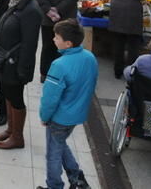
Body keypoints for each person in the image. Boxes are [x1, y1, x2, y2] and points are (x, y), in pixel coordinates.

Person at [37, 19, 98, 189]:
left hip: (59, 117)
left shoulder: (59, 65)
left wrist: (44, 116)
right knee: (60, 143)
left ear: (68, 43)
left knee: (53, 154)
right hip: (77, 114)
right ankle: (76, 176)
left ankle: (54, 185)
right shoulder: (89, 57)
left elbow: (50, 98)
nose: (53, 40)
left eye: (56, 37)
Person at [0, 0, 43, 149]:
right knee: (8, 94)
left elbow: (30, 44)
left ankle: (17, 138)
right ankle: (11, 130)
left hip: (16, 63)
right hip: (7, 61)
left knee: (16, 98)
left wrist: (23, 70)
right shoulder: (18, 2)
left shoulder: (31, 10)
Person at [108, 0, 150, 79]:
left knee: (119, 41)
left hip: (116, 7)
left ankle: (117, 71)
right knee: (133, 42)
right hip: (132, 9)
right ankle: (131, 71)